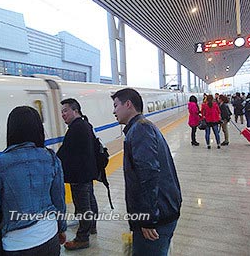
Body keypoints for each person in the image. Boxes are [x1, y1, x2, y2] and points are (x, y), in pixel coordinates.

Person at [0, 106, 67, 256]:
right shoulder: (51, 158)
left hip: (16, 245)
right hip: (49, 236)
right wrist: (61, 228)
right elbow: (59, 201)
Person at [111, 88, 182, 256]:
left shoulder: (140, 130)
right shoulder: (142, 127)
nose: (113, 111)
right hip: (164, 209)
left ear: (128, 104)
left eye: (115, 105)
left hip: (157, 216)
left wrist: (147, 219)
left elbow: (148, 176)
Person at [57, 98, 98, 251]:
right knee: (89, 201)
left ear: (75, 111)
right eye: (62, 112)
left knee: (83, 207)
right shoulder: (85, 124)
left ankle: (82, 238)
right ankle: (91, 227)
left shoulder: (76, 128)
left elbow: (65, 152)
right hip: (87, 173)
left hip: (79, 175)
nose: (63, 114)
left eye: (65, 110)